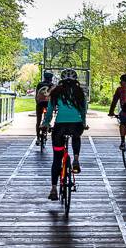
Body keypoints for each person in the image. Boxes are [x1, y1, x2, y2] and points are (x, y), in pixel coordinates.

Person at [40, 68, 87, 200]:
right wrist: (83, 122)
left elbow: (49, 111)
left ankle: (54, 189)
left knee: (57, 158)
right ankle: (76, 158)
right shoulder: (79, 92)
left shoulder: (56, 92)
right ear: (75, 80)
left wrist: (46, 123)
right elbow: (83, 110)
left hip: (60, 127)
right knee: (76, 136)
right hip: (76, 125)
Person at [34, 71, 54, 137]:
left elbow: (36, 95)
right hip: (48, 104)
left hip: (40, 104)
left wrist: (37, 102)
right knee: (48, 116)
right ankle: (47, 124)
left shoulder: (39, 84)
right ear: (51, 78)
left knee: (38, 120)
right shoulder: (52, 85)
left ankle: (38, 138)